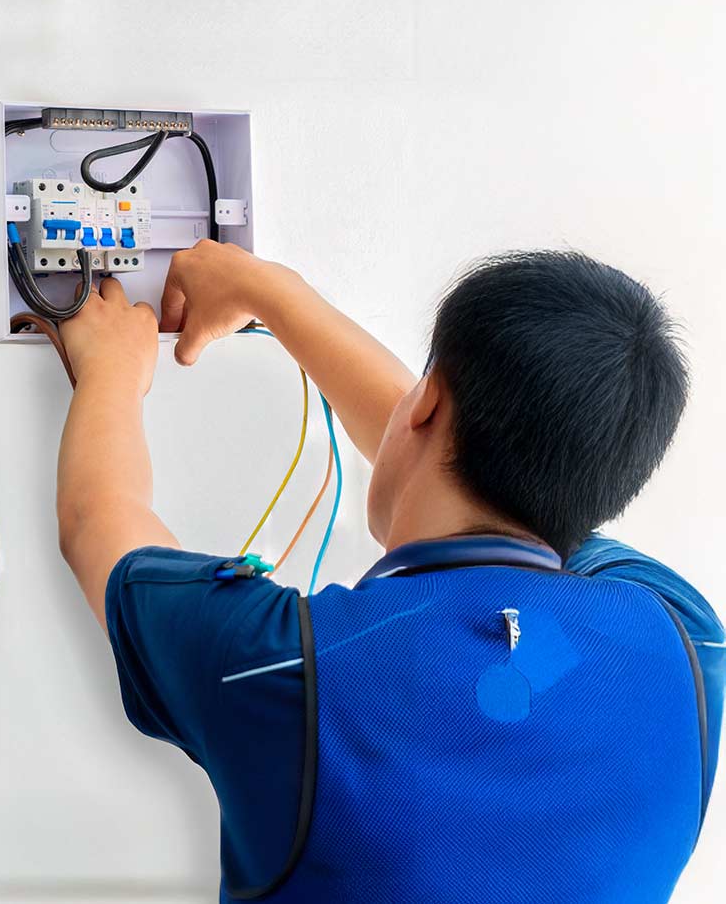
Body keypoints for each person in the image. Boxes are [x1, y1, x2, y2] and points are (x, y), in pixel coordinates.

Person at [54, 243, 722, 903]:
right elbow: (488, 472)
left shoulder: (281, 667)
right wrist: (264, 291)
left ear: (425, 403)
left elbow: (97, 519)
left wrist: (112, 366)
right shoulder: (686, 642)